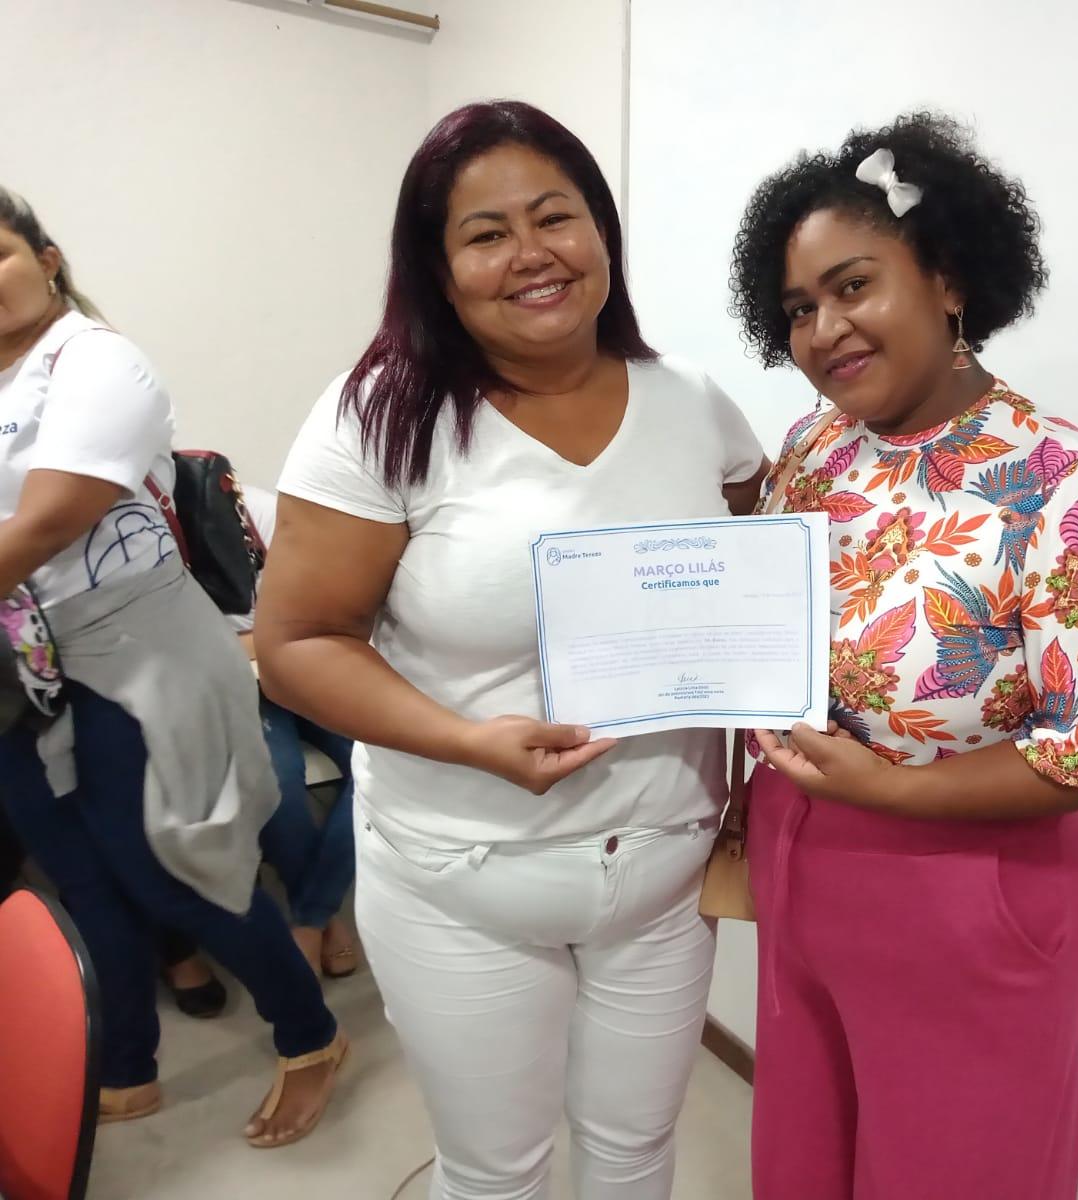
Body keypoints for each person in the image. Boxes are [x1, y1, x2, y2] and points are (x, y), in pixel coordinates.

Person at [255, 100, 769, 1200]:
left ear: (602, 235)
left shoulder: (690, 403)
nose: (531, 255)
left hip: (665, 871)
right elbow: (296, 643)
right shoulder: (376, 418)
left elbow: (749, 567)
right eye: (486, 234)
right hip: (465, 875)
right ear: (439, 271)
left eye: (556, 217)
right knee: (497, 1172)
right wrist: (468, 740)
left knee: (637, 1154)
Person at [726, 113, 1078, 1199]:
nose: (823, 331)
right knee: (802, 1166)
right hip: (800, 865)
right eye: (799, 309)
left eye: (853, 287)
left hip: (964, 895)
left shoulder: (1059, 477)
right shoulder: (816, 449)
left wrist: (895, 792)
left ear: (946, 278)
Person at [0, 187, 348, 1146]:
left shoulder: (97, 361)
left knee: (174, 875)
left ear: (49, 257)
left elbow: (49, 521)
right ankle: (126, 1062)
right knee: (79, 882)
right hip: (19, 674)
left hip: (134, 657)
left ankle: (309, 1035)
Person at [233, 482, 361, 979]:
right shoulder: (143, 537)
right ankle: (325, 920)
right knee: (276, 780)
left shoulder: (253, 508)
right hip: (235, 683)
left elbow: (314, 608)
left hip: (300, 664)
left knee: (374, 763)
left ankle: (309, 917)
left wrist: (263, 636)